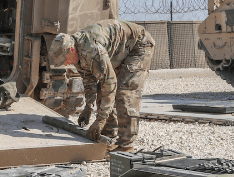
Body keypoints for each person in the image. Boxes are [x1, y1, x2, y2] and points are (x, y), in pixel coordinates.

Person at [47, 20, 155, 151]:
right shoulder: (76, 54)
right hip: (120, 50)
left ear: (70, 50)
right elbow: (89, 81)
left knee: (125, 92)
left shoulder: (91, 49)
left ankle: (126, 145)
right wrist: (88, 108)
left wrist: (100, 120)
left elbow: (110, 83)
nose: (65, 63)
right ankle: (108, 135)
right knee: (101, 89)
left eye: (64, 59)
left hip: (139, 45)